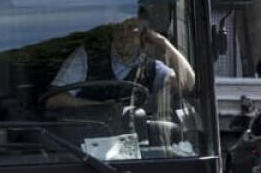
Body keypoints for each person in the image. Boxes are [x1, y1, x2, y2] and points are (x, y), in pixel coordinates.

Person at [45, 9, 195, 113]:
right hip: (86, 142)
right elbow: (54, 99)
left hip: (135, 150)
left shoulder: (152, 68)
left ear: (144, 36)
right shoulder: (88, 56)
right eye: (118, 27)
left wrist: (162, 42)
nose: (124, 35)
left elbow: (188, 83)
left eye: (131, 28)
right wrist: (99, 107)